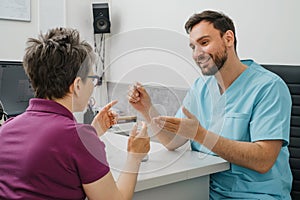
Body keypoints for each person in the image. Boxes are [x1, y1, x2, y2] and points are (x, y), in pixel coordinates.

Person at [128, 10, 292, 199]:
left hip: (257, 195)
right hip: (207, 191)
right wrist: (147, 109)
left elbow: (263, 160)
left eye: (204, 43)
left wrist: (200, 135)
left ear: (228, 39)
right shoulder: (201, 87)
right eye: (193, 47)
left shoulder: (269, 87)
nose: (197, 54)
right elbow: (172, 141)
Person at [0, 27, 150, 200]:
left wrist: (93, 132)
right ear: (78, 85)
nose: (94, 86)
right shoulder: (78, 138)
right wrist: (135, 156)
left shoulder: (6, 129)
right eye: (93, 79)